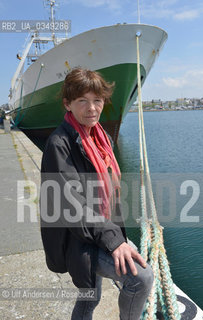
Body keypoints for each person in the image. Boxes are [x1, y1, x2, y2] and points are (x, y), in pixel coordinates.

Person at [40, 67, 154, 320]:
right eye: (83, 101)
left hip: (98, 230)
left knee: (90, 297)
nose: (92, 108)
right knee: (141, 279)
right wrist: (115, 242)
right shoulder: (60, 144)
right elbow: (71, 207)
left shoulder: (100, 137)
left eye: (97, 100)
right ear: (67, 104)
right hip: (77, 239)